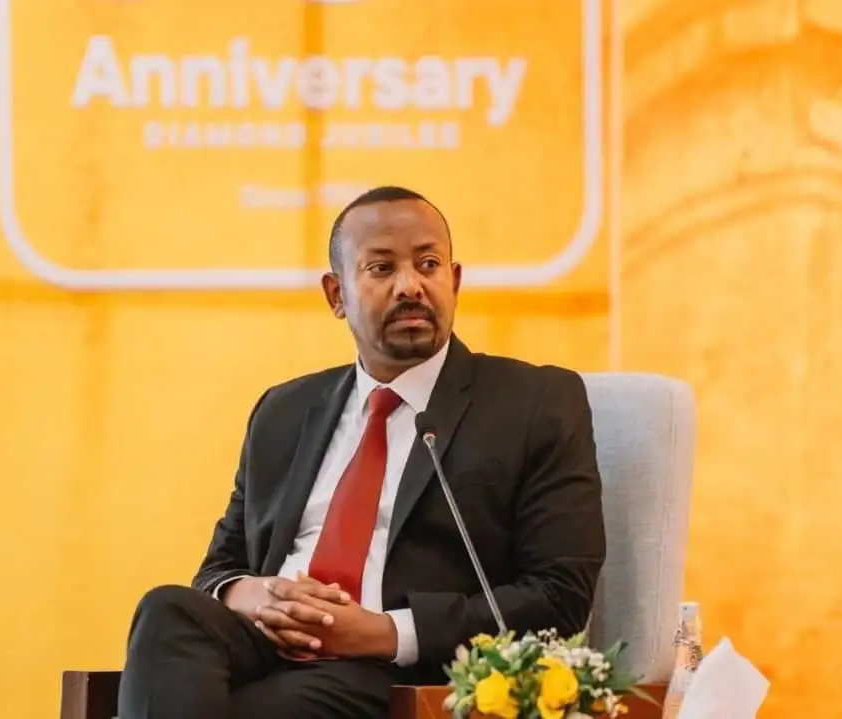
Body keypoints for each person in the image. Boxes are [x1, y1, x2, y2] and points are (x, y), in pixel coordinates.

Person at [117, 186, 606, 719]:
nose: (410, 286)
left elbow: (559, 596)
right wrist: (252, 595)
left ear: (455, 281)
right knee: (167, 610)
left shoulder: (534, 402)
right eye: (381, 268)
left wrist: (384, 632)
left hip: (399, 673)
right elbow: (218, 569)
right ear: (336, 294)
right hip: (266, 644)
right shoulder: (284, 410)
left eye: (428, 264)